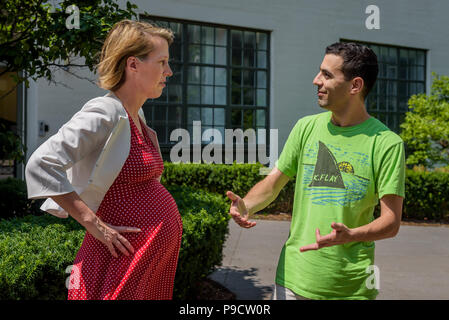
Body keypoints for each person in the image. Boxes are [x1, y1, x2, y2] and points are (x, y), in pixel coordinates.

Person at [227, 42, 405, 300]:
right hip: (292, 279)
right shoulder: (305, 128)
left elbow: (391, 223)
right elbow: (273, 183)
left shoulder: (386, 143)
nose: (316, 80)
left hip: (349, 288)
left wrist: (351, 235)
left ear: (355, 86)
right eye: (319, 71)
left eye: (327, 75)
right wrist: (246, 206)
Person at [25, 20, 183, 300]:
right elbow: (42, 164)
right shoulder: (105, 112)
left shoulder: (136, 116)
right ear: (133, 65)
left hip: (142, 265)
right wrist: (93, 224)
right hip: (117, 266)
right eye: (162, 62)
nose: (168, 72)